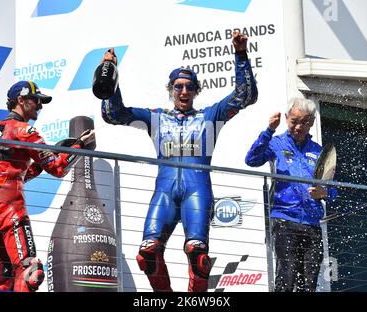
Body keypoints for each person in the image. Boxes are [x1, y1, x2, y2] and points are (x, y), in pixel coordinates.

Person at [98, 31, 258, 292]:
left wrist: (241, 55)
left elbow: (245, 96)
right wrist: (110, 74)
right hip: (165, 191)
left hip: (198, 190)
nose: (184, 91)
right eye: (178, 86)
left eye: (189, 87)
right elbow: (113, 114)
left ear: (196, 91)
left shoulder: (210, 116)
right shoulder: (156, 118)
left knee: (198, 255)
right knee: (146, 254)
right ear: (171, 90)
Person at [0, 80, 95, 292]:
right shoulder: (25, 131)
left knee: (1, 283)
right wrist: (80, 147)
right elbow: (58, 169)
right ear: (21, 101)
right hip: (10, 213)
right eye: (36, 101)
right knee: (30, 272)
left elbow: (14, 175)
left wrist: (42, 161)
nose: (40, 106)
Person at [245, 97, 337, 292]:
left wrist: (324, 192)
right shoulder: (276, 143)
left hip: (312, 224)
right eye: (294, 121)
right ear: (286, 119)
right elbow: (251, 160)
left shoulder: (318, 151)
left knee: (309, 284)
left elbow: (333, 190)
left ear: (312, 122)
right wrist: (268, 131)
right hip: (284, 220)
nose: (298, 127)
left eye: (304, 122)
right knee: (286, 278)